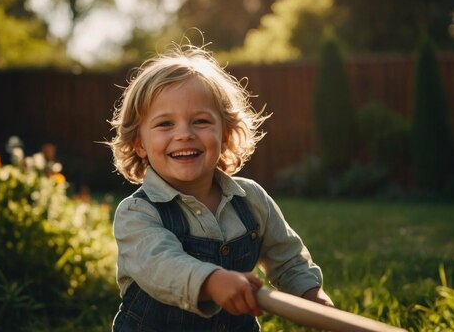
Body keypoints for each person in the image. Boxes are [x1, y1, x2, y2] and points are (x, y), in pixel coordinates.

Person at [107, 43, 333, 332]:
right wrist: (212, 281)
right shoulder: (137, 213)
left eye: (200, 121)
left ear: (225, 134)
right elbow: (162, 267)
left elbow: (288, 258)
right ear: (139, 144)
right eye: (165, 124)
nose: (184, 135)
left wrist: (312, 298)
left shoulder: (250, 199)